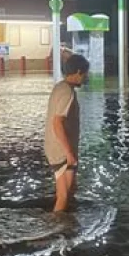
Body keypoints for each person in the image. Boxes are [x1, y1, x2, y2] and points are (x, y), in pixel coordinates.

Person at [44, 54, 89, 212]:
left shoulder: (60, 87)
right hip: (60, 151)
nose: (86, 77)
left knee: (70, 191)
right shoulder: (67, 93)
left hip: (56, 148)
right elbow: (57, 123)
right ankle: (55, 231)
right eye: (85, 74)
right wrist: (69, 153)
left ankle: (68, 224)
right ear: (78, 72)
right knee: (63, 195)